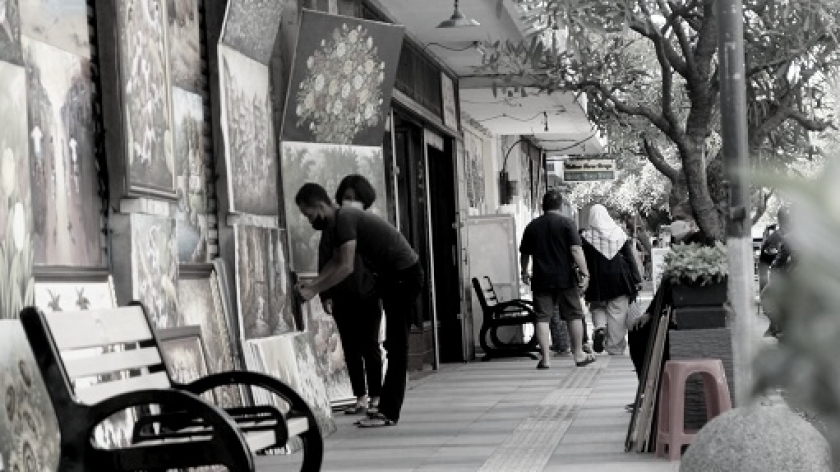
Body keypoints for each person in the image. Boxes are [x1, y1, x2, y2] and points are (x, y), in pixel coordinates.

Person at [295, 183, 424, 428]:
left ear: (320, 206)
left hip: (403, 276)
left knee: (397, 347)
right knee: (393, 346)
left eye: (309, 215)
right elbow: (334, 262)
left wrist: (314, 289)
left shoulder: (345, 218)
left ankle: (388, 412)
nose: (310, 221)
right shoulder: (337, 223)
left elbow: (346, 266)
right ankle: (385, 407)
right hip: (393, 278)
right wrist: (313, 286)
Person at [317, 175, 383, 415]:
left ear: (364, 201)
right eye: (346, 198)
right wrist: (325, 294)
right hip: (342, 296)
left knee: (370, 347)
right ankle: (360, 398)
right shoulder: (331, 228)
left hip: (369, 296)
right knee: (350, 349)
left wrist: (379, 287)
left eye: (354, 199)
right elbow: (324, 260)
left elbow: (381, 259)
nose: (349, 203)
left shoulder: (370, 226)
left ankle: (377, 396)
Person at [519, 190, 596, 369]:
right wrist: (585, 273)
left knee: (542, 318)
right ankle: (578, 354)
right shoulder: (567, 223)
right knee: (574, 315)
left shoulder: (533, 226)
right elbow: (576, 250)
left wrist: (524, 271)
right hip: (565, 278)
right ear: (560, 205)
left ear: (542, 206)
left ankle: (545, 359)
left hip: (541, 278)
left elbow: (524, 253)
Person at [581, 205, 642, 355]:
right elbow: (629, 258)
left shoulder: (586, 237)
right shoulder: (618, 234)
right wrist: (637, 279)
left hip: (596, 279)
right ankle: (614, 346)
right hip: (619, 279)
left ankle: (600, 328)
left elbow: (582, 259)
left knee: (597, 307)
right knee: (617, 313)